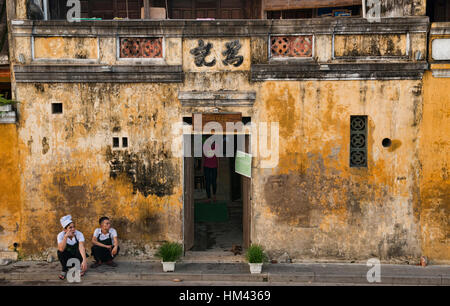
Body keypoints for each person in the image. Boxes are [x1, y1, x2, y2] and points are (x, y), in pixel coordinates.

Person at [57, 215, 87, 280]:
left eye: (74, 227)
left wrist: (84, 261)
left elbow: (81, 247)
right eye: (70, 227)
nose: (73, 229)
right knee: (59, 252)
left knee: (82, 249)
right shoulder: (61, 235)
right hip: (67, 258)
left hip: (76, 257)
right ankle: (65, 269)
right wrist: (65, 237)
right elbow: (61, 249)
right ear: (65, 230)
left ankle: (79, 267)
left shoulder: (79, 234)